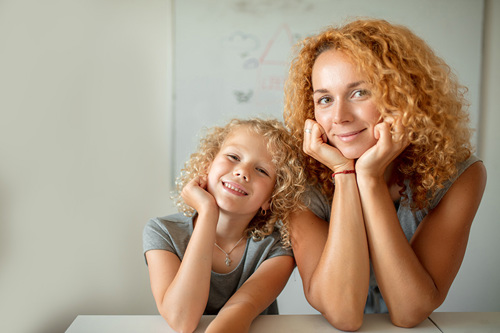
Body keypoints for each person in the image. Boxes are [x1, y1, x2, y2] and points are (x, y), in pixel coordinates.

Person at [283, 18, 487, 331]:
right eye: (325, 99)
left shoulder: (459, 174)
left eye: (359, 93)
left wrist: (370, 179)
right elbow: (343, 314)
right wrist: (344, 172)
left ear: (401, 96)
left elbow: (410, 311)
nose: (339, 117)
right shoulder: (294, 177)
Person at [143, 118, 306, 333]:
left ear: (271, 197)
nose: (242, 172)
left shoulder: (277, 247)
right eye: (233, 157)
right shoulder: (162, 232)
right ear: (207, 165)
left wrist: (208, 213)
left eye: (262, 170)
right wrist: (208, 212)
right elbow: (182, 320)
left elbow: (240, 309)